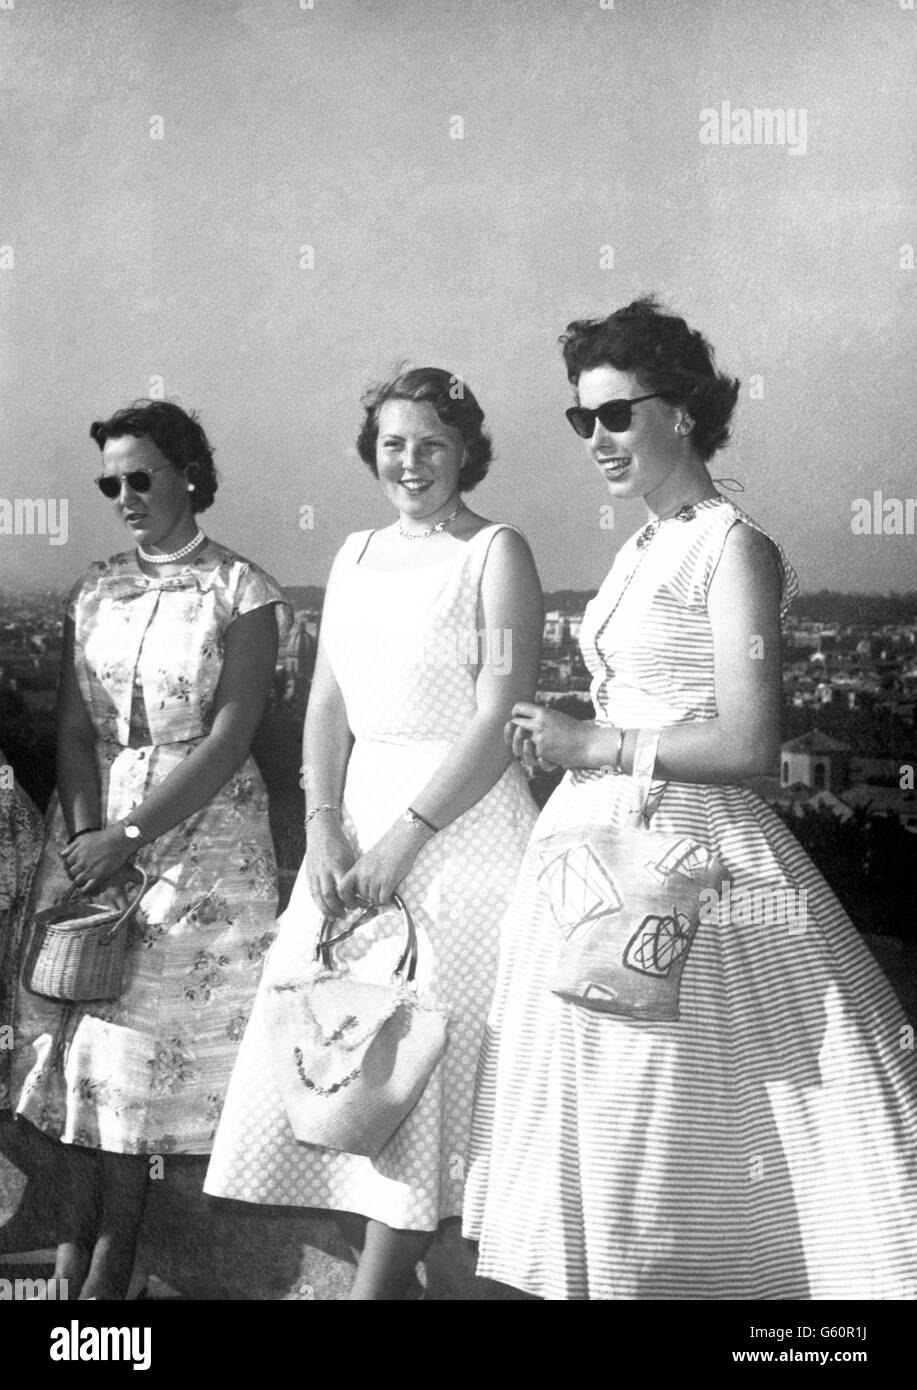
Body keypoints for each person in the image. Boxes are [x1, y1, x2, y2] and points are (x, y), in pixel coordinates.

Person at [462, 297, 917, 1301]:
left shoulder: (732, 547)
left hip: (685, 864)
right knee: (599, 1122)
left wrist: (599, 740)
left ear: (682, 412)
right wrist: (589, 724)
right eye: (581, 420)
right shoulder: (638, 547)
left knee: (661, 1122)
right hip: (595, 856)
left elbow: (753, 741)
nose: (595, 440)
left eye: (616, 414)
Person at [205, 366, 542, 1299]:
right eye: (394, 443)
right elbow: (325, 702)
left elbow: (496, 714)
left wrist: (407, 835)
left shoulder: (497, 553)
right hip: (353, 831)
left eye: (432, 442)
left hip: (458, 834)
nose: (412, 462)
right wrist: (321, 827)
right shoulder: (352, 555)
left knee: (423, 1066)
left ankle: (378, 1293)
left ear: (466, 450)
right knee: (346, 1056)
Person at [9, 399, 291, 1299]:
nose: (124, 495)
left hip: (199, 843)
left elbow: (230, 735)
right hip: (95, 837)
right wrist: (90, 836)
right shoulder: (94, 588)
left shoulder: (243, 590)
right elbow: (74, 728)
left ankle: (106, 1278)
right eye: (110, 482)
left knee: (141, 1062)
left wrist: (133, 837)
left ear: (188, 475)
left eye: (140, 477)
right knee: (79, 1052)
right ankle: (70, 1262)